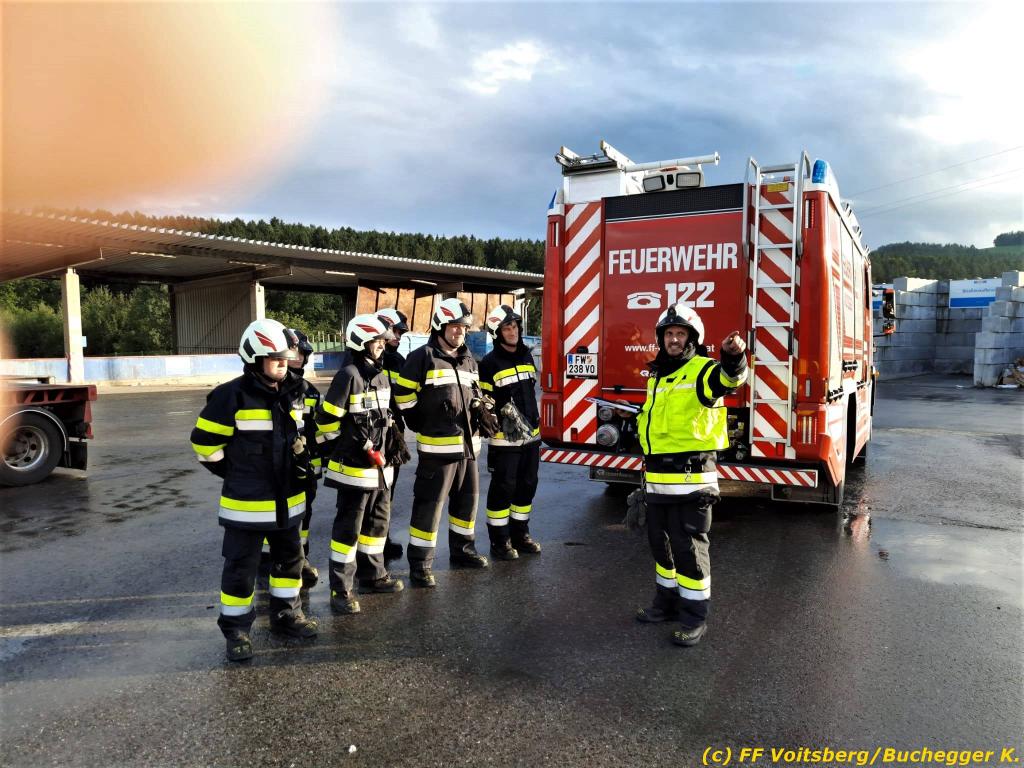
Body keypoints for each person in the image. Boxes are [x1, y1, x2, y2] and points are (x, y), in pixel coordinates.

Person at [190, 318, 319, 662]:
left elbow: (310, 436)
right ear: (254, 358)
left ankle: (287, 615)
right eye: (275, 358)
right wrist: (236, 473)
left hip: (290, 502)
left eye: (285, 357)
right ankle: (236, 631)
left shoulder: (299, 391)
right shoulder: (230, 396)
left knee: (290, 564)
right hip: (245, 506)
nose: (283, 363)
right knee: (240, 570)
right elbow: (204, 445)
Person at [627, 304, 747, 647]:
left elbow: (729, 379)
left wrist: (732, 357)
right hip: (658, 479)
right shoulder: (658, 375)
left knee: (688, 550)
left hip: (692, 481)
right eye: (669, 334)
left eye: (680, 333)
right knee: (661, 546)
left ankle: (695, 618)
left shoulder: (702, 370)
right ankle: (665, 605)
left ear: (692, 338)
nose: (674, 339)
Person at [393, 298, 497, 587]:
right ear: (440, 327)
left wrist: (482, 409)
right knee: (429, 508)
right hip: (437, 450)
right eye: (454, 326)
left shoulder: (468, 360)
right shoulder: (422, 357)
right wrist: (422, 421)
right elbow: (403, 396)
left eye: (463, 327)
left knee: (467, 504)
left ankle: (463, 551)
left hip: (469, 449)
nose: (459, 332)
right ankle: (420, 565)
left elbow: (474, 395)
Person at [316, 314, 405, 615]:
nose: (382, 345)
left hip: (380, 470)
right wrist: (346, 450)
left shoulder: (381, 376)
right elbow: (326, 422)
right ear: (361, 342)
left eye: (382, 340)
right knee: (348, 531)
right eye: (376, 340)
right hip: (354, 472)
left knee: (377, 525)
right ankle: (341, 589)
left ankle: (373, 576)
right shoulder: (348, 376)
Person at [478, 304, 542, 560]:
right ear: (497, 332)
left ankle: (520, 534)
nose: (513, 331)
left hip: (531, 436)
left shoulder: (527, 356)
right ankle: (499, 540)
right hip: (505, 440)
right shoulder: (489, 363)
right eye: (507, 328)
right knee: (503, 488)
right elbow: (485, 402)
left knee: (528, 485)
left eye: (515, 326)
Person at [376, 308, 410, 562]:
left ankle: (382, 539)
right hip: (371, 437)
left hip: (394, 436)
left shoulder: (399, 361)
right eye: (395, 331)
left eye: (400, 333)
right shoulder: (364, 359)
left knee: (389, 491)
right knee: (370, 494)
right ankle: (367, 544)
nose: (398, 337)